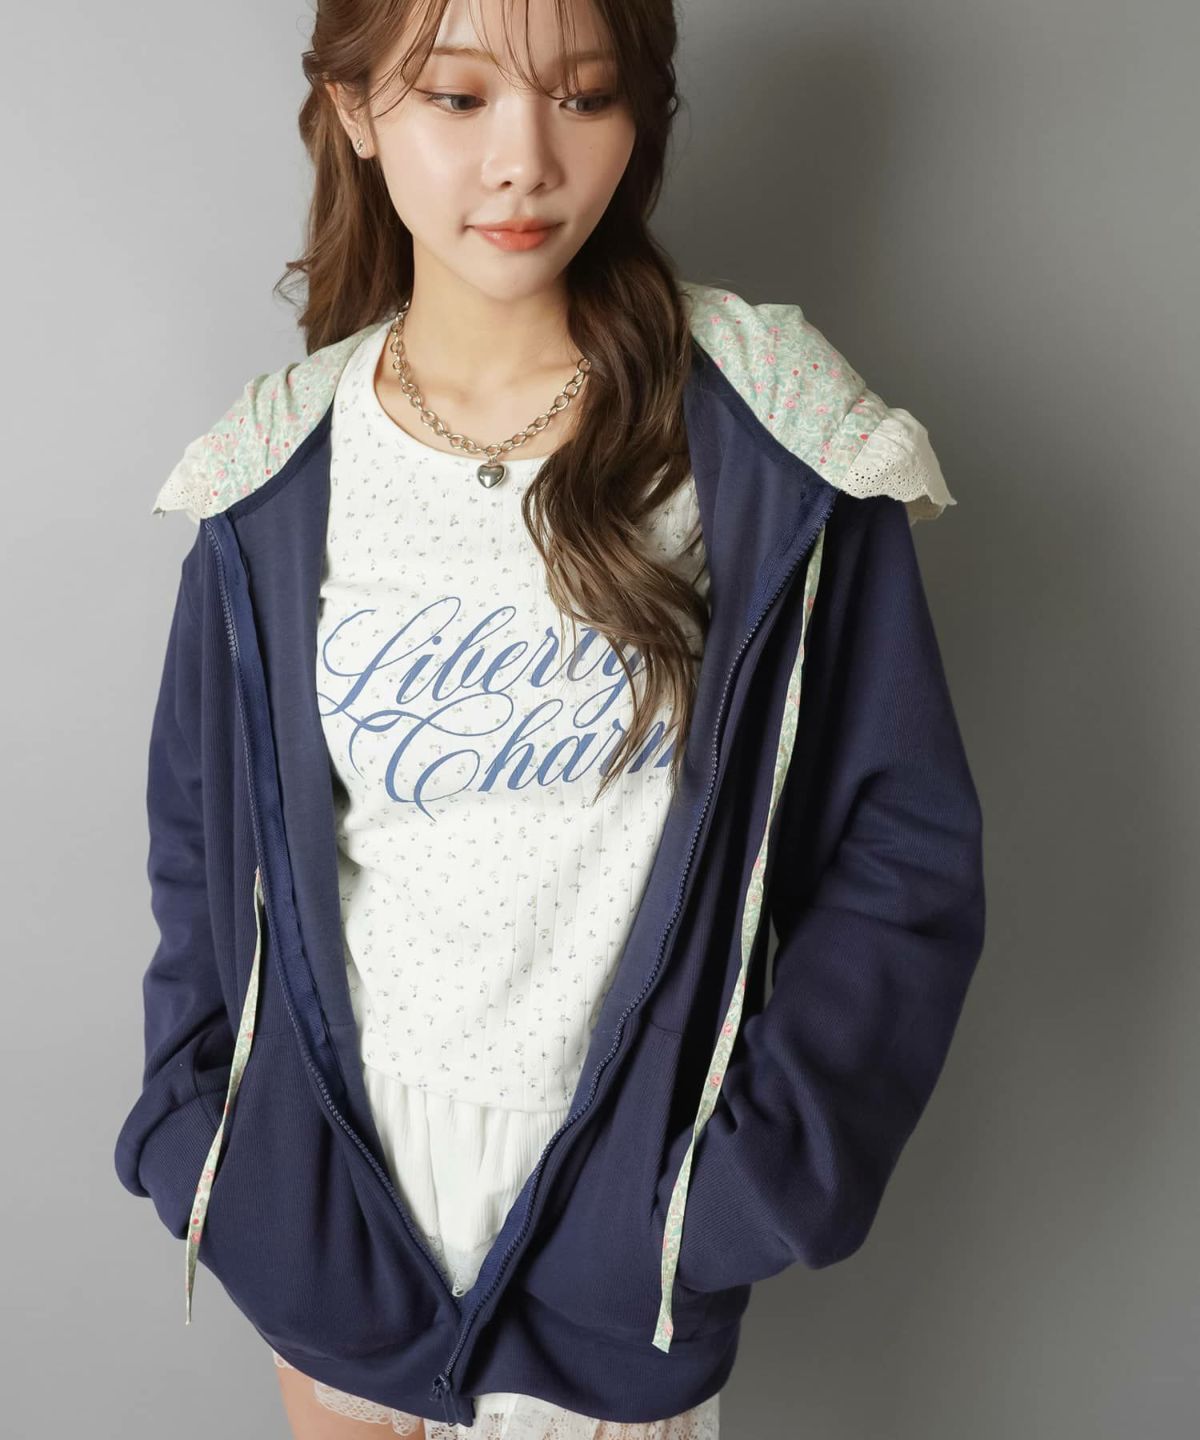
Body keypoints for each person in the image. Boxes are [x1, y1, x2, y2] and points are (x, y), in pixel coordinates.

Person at [112, 0, 987, 1436]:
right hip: (339, 1214)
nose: (524, 159)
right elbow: (201, 844)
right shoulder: (275, 465)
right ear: (355, 111)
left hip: (618, 1222)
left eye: (582, 96)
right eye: (458, 100)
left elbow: (904, 851)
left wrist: (738, 1193)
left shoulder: (769, 431)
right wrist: (216, 1158)